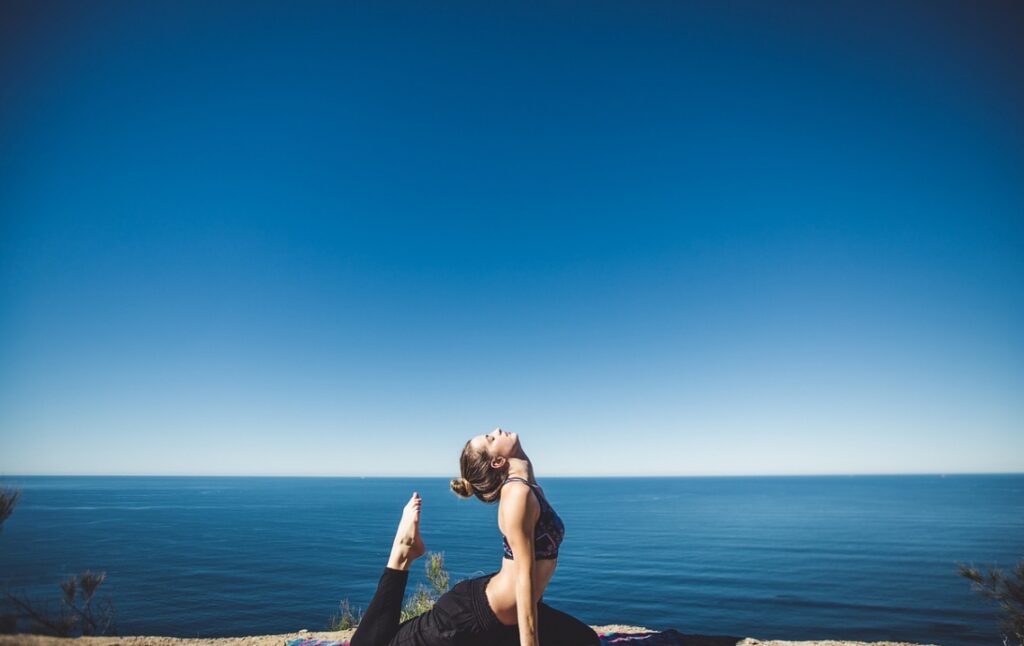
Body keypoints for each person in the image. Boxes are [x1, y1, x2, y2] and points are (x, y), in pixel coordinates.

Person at [351, 427, 600, 646]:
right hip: (468, 617)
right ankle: (402, 553)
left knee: (586, 640)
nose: (498, 429)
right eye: (491, 438)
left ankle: (405, 554)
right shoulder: (516, 494)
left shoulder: (529, 487)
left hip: (507, 617)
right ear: (498, 461)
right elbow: (523, 580)